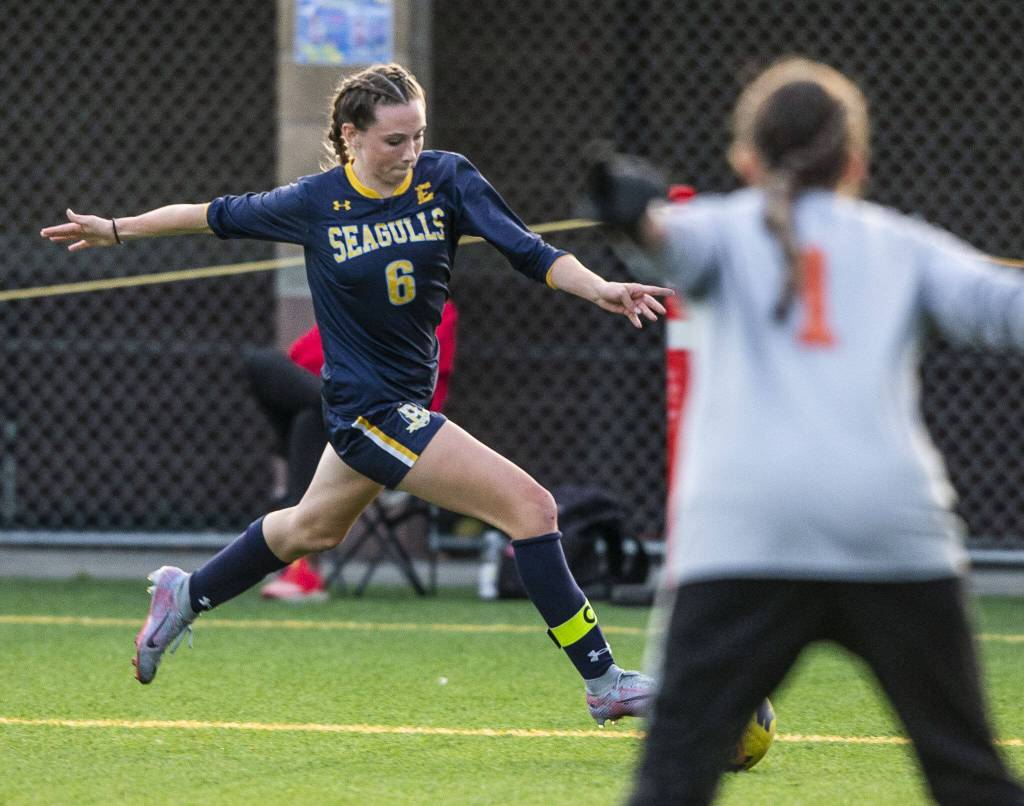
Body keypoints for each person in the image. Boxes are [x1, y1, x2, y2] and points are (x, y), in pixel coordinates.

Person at [40, 63, 673, 724]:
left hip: (404, 408)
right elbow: (206, 216)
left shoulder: (447, 179)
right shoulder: (316, 203)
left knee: (311, 527)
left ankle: (186, 593)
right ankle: (604, 682)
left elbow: (528, 250)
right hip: (366, 412)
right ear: (351, 135)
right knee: (533, 508)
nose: (410, 154)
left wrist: (599, 287)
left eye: (418, 137)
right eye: (394, 140)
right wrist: (114, 229)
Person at [585, 57, 1024, 804]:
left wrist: (625, 209)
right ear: (856, 161)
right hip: (891, 529)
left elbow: (658, 241)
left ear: (746, 158)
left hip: (744, 534)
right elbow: (1002, 307)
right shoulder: (902, 243)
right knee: (969, 775)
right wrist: (641, 222)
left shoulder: (717, 229)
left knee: (673, 780)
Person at [252, 300, 457, 600]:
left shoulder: (437, 306)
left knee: (312, 415)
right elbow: (302, 356)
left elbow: (421, 387)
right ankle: (301, 563)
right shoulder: (360, 301)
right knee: (265, 366)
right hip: (334, 426)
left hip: (389, 434)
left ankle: (302, 562)